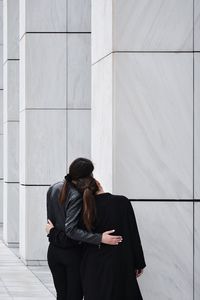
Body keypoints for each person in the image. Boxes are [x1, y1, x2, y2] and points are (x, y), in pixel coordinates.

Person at [46, 162, 146, 300]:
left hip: (74, 259)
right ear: (96, 182)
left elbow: (70, 230)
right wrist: (138, 262)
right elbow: (133, 235)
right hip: (116, 263)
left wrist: (52, 232)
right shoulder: (121, 202)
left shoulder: (58, 190)